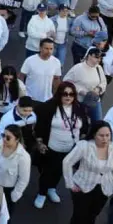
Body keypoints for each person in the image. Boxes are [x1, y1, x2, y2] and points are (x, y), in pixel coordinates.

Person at [32, 81, 88, 209]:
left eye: (71, 94)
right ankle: (41, 193)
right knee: (47, 171)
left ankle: (52, 189)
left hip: (71, 148)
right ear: (59, 94)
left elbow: (84, 126)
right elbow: (40, 126)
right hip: (53, 146)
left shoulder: (79, 108)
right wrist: (40, 143)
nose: (68, 97)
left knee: (61, 170)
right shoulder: (49, 107)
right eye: (65, 94)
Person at [62, 120, 113, 224]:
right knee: (79, 217)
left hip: (104, 189)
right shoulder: (84, 146)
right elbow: (67, 162)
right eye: (101, 135)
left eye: (108, 135)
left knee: (92, 216)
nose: (105, 139)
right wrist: (70, 184)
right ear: (94, 134)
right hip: (82, 187)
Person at [0, 124, 31, 217]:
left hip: (7, 191)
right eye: (3, 136)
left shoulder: (23, 157)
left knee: (4, 218)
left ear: (17, 139)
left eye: (8, 138)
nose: (4, 139)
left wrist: (14, 196)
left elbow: (23, 179)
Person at [63, 47, 108, 121]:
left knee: (98, 122)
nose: (99, 60)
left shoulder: (99, 68)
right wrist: (80, 91)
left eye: (100, 58)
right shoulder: (78, 68)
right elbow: (66, 82)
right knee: (79, 122)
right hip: (79, 101)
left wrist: (98, 89)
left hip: (94, 101)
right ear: (89, 56)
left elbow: (103, 82)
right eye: (96, 57)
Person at [19, 39, 62, 104]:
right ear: (40, 48)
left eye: (51, 49)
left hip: (47, 99)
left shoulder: (56, 62)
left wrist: (56, 96)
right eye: (46, 48)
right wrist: (22, 93)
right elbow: (21, 77)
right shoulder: (30, 60)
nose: (49, 51)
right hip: (30, 97)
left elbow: (56, 80)